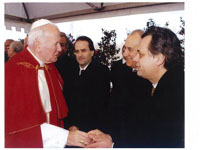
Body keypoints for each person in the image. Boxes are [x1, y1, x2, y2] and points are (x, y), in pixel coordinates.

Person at [86, 26, 184, 148]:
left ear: (159, 59)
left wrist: (112, 146)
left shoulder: (177, 96)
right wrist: (110, 138)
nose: (136, 59)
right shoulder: (165, 85)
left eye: (141, 54)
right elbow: (144, 132)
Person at [5, 19, 91, 148]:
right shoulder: (13, 70)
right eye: (56, 44)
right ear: (38, 45)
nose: (60, 49)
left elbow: (56, 110)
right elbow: (22, 128)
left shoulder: (49, 66)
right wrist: (64, 137)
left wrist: (68, 129)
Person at [108, 29, 152, 147]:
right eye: (124, 48)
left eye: (130, 49)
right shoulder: (121, 70)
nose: (125, 54)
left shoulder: (150, 78)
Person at [62, 36, 110, 135]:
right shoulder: (69, 70)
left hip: (91, 130)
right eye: (77, 51)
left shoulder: (101, 71)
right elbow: (66, 100)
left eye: (83, 51)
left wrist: (79, 126)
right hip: (70, 129)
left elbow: (99, 105)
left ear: (92, 52)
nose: (80, 55)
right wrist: (70, 125)